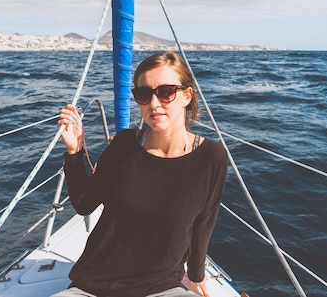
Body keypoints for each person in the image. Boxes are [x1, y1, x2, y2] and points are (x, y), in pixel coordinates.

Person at [54, 51, 228, 297]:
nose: (154, 104)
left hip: (162, 287)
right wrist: (74, 152)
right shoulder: (124, 144)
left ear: (187, 96)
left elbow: (203, 224)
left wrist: (196, 276)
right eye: (144, 94)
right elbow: (84, 203)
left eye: (166, 92)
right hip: (93, 285)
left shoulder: (212, 157)